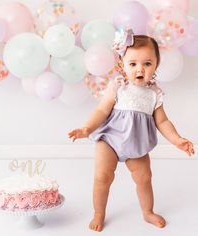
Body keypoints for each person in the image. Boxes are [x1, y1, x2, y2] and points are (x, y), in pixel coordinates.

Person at [68, 31, 195, 232]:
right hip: (109, 139)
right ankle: (99, 213)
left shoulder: (154, 94)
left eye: (147, 63)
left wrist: (176, 139)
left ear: (155, 66)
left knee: (144, 177)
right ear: (122, 65)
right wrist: (87, 128)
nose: (140, 69)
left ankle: (147, 212)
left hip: (136, 143)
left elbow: (162, 121)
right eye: (133, 63)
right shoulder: (118, 87)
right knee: (103, 176)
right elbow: (102, 110)